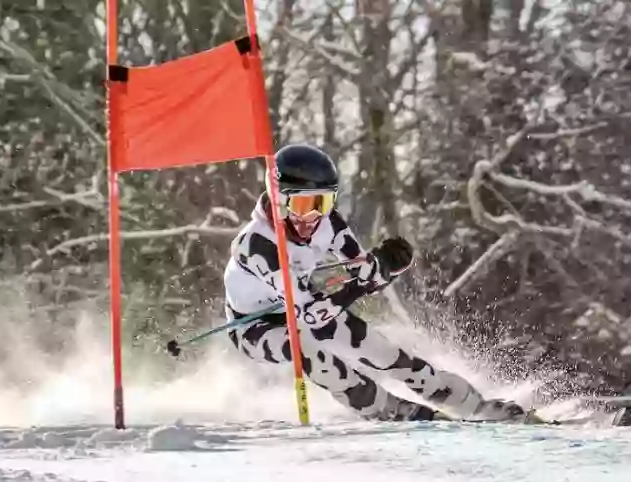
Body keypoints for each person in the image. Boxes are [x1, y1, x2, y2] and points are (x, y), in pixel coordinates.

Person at [222, 143, 529, 422]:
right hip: (255, 326)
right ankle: (389, 409)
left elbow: (365, 273)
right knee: (311, 353)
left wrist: (387, 266)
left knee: (384, 353)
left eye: (323, 202)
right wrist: (362, 283)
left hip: (305, 302)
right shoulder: (258, 247)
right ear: (278, 202)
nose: (313, 216)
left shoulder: (328, 225)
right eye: (303, 206)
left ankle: (472, 405)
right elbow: (310, 315)